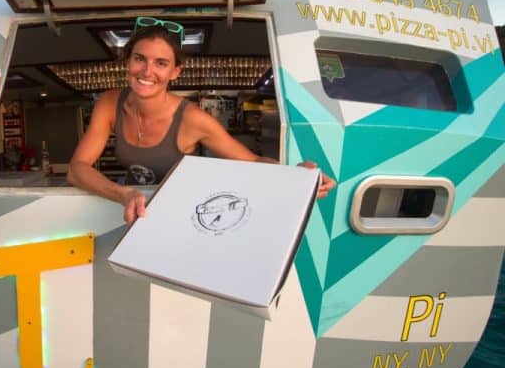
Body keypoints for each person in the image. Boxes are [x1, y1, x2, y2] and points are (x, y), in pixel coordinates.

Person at [67, 17, 336, 224]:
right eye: (140, 59)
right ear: (128, 62)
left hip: (180, 213)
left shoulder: (193, 119)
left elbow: (252, 161)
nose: (147, 71)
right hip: (132, 209)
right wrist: (124, 194)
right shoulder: (110, 103)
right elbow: (77, 169)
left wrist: (295, 177)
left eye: (161, 63)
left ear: (175, 72)